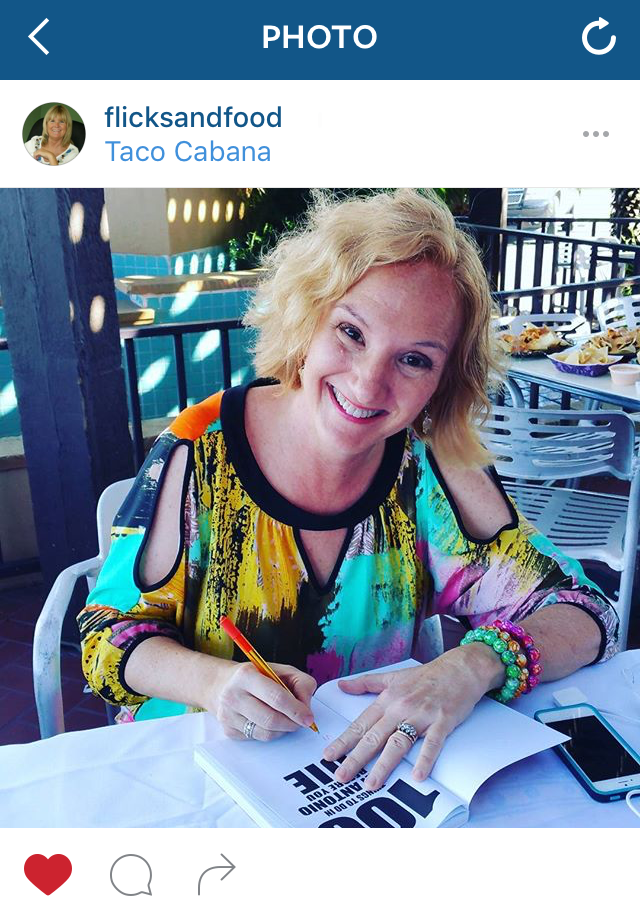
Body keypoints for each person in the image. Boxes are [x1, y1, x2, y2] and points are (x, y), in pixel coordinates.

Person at [79, 190, 618, 792]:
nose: (368, 382)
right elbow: (108, 637)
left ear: (442, 383)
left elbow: (587, 613)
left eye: (414, 359)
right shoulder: (198, 448)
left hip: (369, 788)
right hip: (192, 780)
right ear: (307, 317)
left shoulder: (429, 468)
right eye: (352, 332)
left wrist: (473, 663)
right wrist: (213, 684)